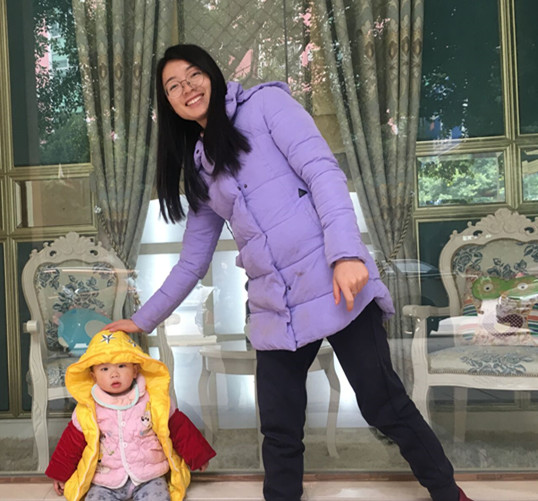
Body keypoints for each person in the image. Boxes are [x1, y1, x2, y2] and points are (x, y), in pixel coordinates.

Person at [105, 43, 473, 501]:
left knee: (383, 404)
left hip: (335, 284)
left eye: (194, 74)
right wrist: (141, 321)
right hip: (275, 308)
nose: (187, 89)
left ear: (213, 74)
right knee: (279, 426)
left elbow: (323, 173)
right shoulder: (200, 169)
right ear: (169, 105)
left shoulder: (267, 105)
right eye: (173, 86)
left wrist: (346, 255)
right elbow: (192, 261)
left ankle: (449, 493)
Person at [45, 329, 216, 501]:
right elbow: (71, 443)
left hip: (149, 476)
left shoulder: (154, 400)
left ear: (135, 370)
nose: (114, 374)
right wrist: (60, 474)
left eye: (122, 366)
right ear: (93, 376)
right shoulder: (88, 408)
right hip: (106, 479)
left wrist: (198, 456)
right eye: (104, 369)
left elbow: (179, 428)